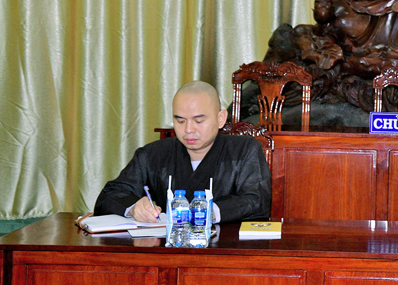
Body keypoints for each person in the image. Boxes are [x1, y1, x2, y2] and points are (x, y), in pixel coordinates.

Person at [94, 81, 271, 223]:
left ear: (220, 118)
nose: (188, 130)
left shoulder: (244, 149)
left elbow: (257, 201)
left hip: (224, 248)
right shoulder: (153, 154)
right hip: (166, 247)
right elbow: (110, 195)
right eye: (180, 121)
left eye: (198, 121)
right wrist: (134, 208)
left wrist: (209, 212)